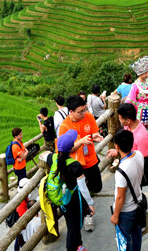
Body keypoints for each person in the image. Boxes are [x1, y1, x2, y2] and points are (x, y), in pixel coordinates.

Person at [58, 94, 105, 234]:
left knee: (97, 186)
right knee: (81, 191)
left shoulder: (88, 117)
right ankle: (87, 213)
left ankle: (85, 197)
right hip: (75, 165)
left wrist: (95, 136)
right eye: (81, 111)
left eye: (85, 109)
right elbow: (63, 149)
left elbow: (94, 131)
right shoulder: (64, 127)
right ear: (71, 112)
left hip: (90, 159)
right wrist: (81, 142)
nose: (85, 113)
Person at [54, 129, 95, 251]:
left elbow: (46, 156)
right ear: (72, 147)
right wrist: (90, 204)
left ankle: (78, 245)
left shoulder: (54, 159)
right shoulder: (75, 165)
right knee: (74, 227)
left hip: (63, 199)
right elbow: (83, 188)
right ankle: (71, 248)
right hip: (74, 200)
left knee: (70, 223)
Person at [111, 129, 144, 251]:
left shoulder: (121, 171)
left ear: (117, 146)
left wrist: (115, 215)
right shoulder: (139, 155)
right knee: (136, 232)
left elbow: (120, 197)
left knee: (124, 239)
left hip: (126, 211)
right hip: (139, 203)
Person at [126, 57, 148, 128]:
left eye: (147, 72)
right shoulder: (135, 85)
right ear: (140, 73)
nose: (147, 74)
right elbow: (130, 99)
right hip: (140, 110)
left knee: (146, 127)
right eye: (145, 73)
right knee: (139, 127)